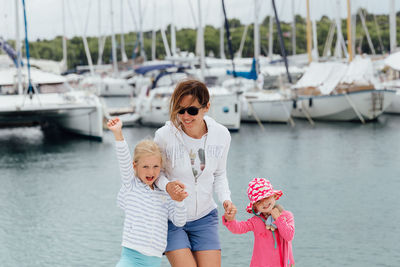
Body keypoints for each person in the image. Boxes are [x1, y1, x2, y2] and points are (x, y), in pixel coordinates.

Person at [153, 79, 236, 267]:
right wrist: (168, 186)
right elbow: (154, 175)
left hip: (205, 217)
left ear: (206, 106)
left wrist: (226, 200)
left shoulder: (221, 135)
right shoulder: (164, 135)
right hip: (172, 217)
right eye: (180, 110)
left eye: (192, 110)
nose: (185, 116)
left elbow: (220, 173)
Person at [107, 117, 187, 267]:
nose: (151, 172)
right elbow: (123, 158)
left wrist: (179, 201)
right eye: (145, 167)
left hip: (155, 261)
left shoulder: (165, 193)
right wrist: (118, 133)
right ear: (135, 166)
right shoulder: (132, 185)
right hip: (131, 258)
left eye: (156, 166)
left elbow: (179, 221)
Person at [222, 178, 295, 267]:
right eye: (259, 201)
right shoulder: (256, 221)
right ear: (255, 207)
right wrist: (230, 219)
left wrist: (278, 219)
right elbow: (238, 228)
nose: (264, 202)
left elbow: (289, 236)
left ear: (274, 196)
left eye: (267, 197)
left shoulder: (286, 216)